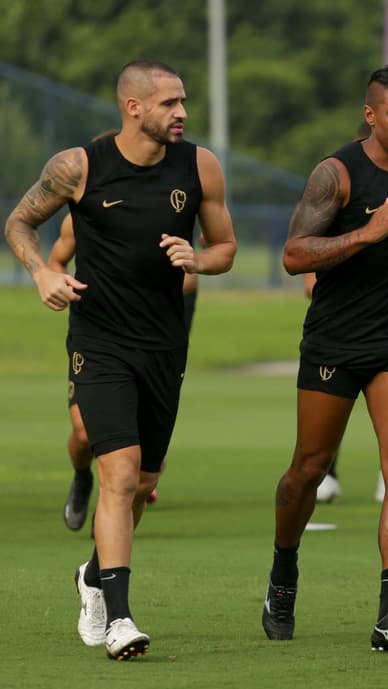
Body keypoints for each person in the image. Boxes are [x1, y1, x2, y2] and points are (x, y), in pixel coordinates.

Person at [4, 59, 236, 660]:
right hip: (99, 340)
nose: (182, 112)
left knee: (144, 485)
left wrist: (198, 259)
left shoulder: (200, 165)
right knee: (121, 474)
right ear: (133, 107)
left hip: (164, 344)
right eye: (169, 103)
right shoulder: (78, 166)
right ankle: (120, 617)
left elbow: (226, 248)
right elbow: (20, 222)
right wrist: (42, 273)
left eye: (183, 101)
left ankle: (91, 575)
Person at [261, 63, 388, 653]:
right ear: (371, 115)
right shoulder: (336, 174)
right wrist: (366, 235)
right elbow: (293, 255)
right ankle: (283, 572)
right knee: (308, 470)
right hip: (335, 343)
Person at [50, 211, 201, 530]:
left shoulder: (174, 207)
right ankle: (81, 477)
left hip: (156, 338)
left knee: (140, 452)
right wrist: (57, 281)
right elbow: (56, 261)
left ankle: (112, 513)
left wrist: (148, 277)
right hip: (97, 338)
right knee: (83, 433)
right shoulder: (85, 207)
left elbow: (194, 275)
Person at [311, 120, 374, 504]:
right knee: (315, 447)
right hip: (339, 322)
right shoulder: (336, 175)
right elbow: (300, 249)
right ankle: (325, 474)